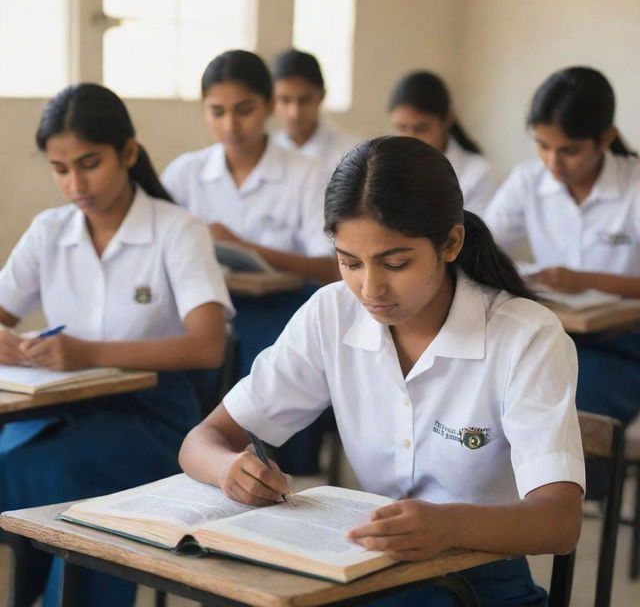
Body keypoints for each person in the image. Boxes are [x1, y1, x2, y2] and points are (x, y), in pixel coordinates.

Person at [179, 136, 585, 607]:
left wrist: (448, 525)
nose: (370, 288)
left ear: (451, 243)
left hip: (479, 580)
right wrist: (230, 469)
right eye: (349, 262)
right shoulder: (332, 313)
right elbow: (202, 440)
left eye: (395, 263)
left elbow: (559, 522)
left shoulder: (526, 337)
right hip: (368, 569)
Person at [0, 83, 233, 607]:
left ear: (128, 153)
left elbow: (207, 345)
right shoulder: (49, 231)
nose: (75, 182)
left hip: (152, 419)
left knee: (51, 470)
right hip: (62, 410)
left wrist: (88, 352)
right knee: (12, 461)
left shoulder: (178, 231)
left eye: (90, 163)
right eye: (61, 169)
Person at [162, 50, 337, 474]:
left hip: (282, 306)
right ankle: (193, 455)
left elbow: (330, 267)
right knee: (180, 347)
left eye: (244, 110)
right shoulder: (185, 173)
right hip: (209, 305)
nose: (231, 125)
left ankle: (281, 467)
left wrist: (247, 247)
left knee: (272, 349)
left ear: (268, 106)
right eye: (217, 112)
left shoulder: (306, 172)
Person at [485, 66, 640, 425]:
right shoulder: (528, 180)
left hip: (623, 343)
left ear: (606, 139)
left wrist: (585, 280)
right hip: (553, 333)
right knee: (495, 388)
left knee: (568, 403)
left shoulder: (633, 187)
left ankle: (581, 482)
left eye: (570, 150)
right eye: (542, 146)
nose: (553, 163)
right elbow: (482, 246)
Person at [389, 70, 498, 216]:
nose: (410, 138)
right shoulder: (382, 169)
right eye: (401, 128)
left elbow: (478, 237)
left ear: (447, 120)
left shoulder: (479, 175)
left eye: (420, 129)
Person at [272, 48, 359, 173]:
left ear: (321, 96)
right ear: (272, 100)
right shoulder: (263, 155)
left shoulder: (351, 156)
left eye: (304, 100)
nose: (294, 113)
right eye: (285, 100)